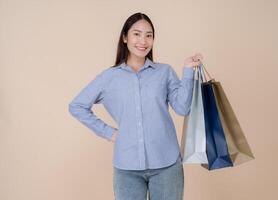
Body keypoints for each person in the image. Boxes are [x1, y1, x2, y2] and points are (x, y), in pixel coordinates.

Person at [69, 12, 203, 200]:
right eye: (137, 34)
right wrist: (110, 133)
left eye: (149, 35)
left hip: (167, 164)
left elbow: (182, 108)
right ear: (125, 37)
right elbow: (77, 106)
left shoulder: (164, 72)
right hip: (127, 168)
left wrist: (188, 71)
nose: (143, 41)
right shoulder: (109, 77)